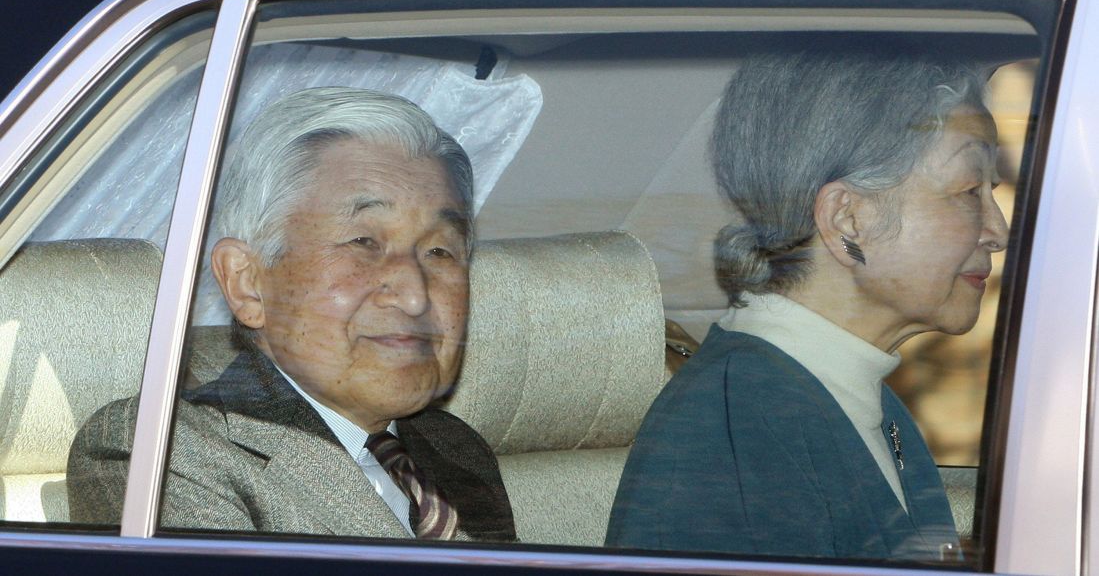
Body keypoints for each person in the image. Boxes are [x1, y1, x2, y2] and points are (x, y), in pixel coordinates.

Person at [605, 52, 1008, 561]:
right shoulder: (739, 430)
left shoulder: (858, 401)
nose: (997, 232)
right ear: (848, 219)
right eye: (969, 191)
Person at [68, 87, 516, 541]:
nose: (415, 296)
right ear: (247, 283)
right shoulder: (161, 451)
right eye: (363, 242)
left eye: (440, 250)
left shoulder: (452, 448)